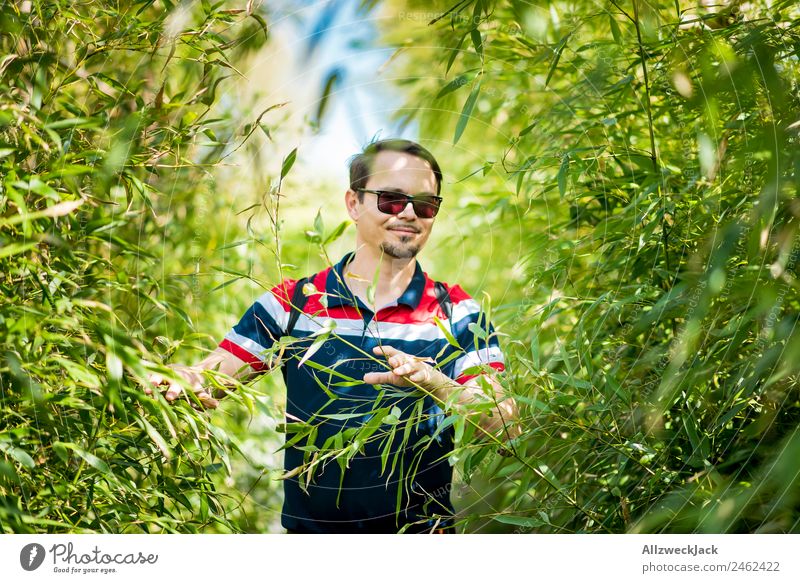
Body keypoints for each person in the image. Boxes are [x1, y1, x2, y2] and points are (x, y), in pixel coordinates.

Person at [146, 138, 519, 533]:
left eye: (425, 204)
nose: (409, 213)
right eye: (392, 198)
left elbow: (505, 424)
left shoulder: (459, 313)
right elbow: (213, 376)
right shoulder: (293, 303)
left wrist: (437, 384)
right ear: (354, 203)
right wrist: (180, 380)